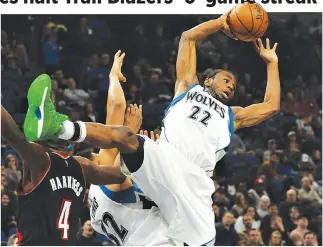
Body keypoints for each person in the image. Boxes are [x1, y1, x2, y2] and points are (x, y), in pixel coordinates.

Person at [23, 11, 280, 245]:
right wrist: (221, 23)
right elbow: (188, 39)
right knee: (126, 136)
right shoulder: (187, 88)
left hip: (195, 187)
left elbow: (271, 105)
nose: (231, 85)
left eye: (234, 85)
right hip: (166, 159)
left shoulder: (231, 115)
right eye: (227, 79)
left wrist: (272, 63)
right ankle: (57, 127)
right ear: (209, 79)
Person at [1, 109, 126, 244]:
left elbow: (11, 133)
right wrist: (134, 144)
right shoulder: (83, 166)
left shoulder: (41, 159)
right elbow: (121, 175)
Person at [88, 51, 168, 246]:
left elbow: (115, 108)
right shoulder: (106, 183)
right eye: (94, 154)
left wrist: (113, 77)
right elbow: (119, 173)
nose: (98, 151)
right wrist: (132, 135)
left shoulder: (96, 211)